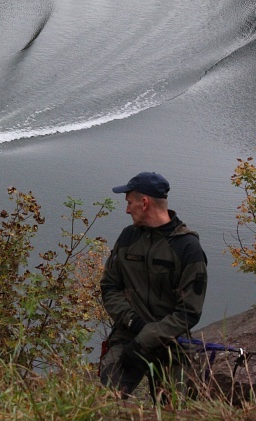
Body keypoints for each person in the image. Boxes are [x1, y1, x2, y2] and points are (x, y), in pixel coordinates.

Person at [99, 171, 207, 400]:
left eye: (129, 203)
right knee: (107, 402)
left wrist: (148, 338)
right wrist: (134, 323)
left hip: (171, 342)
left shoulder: (187, 248)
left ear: (145, 202)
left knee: (175, 409)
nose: (127, 210)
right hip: (128, 338)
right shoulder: (128, 238)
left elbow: (188, 313)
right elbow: (109, 287)